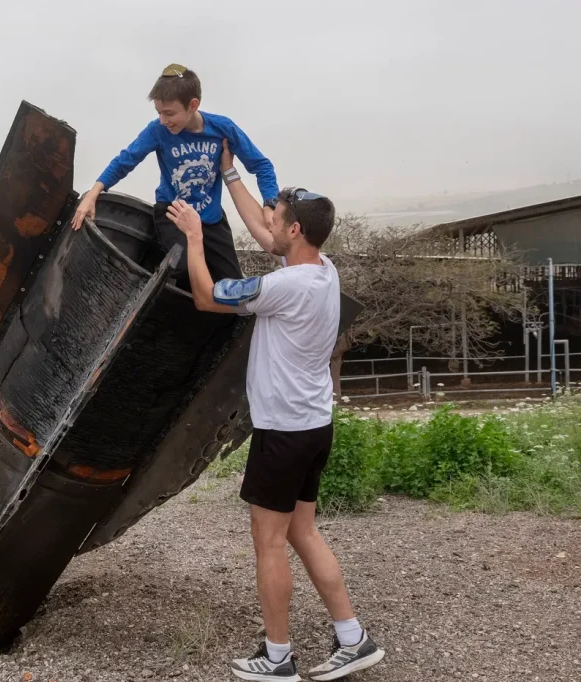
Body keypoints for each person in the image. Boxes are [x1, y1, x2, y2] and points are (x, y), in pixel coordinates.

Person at [164, 144, 386, 682]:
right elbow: (267, 239)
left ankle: (278, 656)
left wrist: (195, 237)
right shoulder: (323, 269)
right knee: (303, 532)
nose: (269, 220)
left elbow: (207, 296)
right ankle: (352, 637)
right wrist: (230, 174)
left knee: (268, 541)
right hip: (314, 425)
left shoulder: (282, 285)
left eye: (276, 217)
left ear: (293, 232)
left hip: (282, 431)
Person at [70, 63, 278, 291]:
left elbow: (261, 165)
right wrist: (93, 193)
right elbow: (124, 161)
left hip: (211, 219)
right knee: (185, 269)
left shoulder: (222, 129)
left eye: (169, 113)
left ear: (193, 105)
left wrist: (270, 203)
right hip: (173, 213)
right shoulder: (157, 131)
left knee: (234, 286)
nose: (163, 120)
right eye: (159, 113)